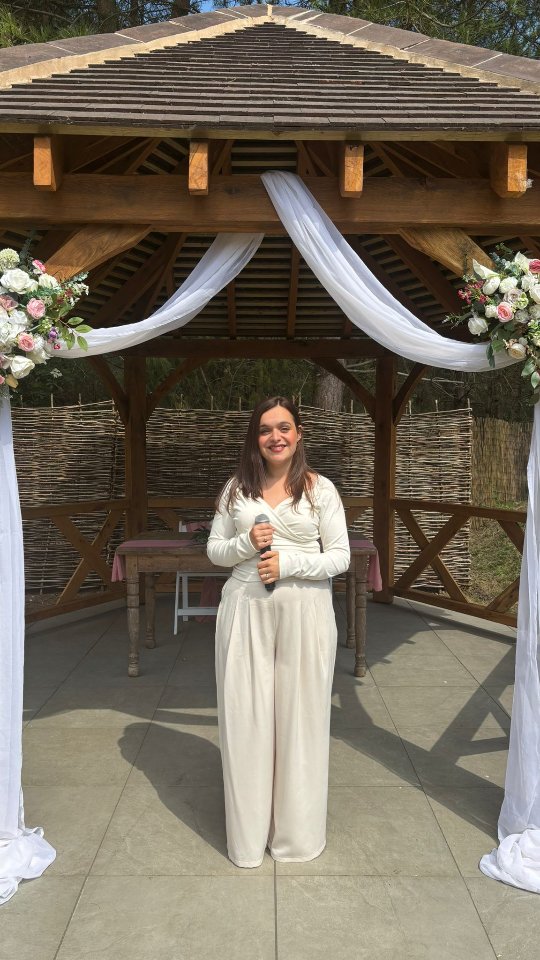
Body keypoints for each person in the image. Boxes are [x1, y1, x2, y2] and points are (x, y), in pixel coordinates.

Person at [207, 396, 350, 868]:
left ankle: (295, 838)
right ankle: (248, 840)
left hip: (306, 614)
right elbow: (214, 551)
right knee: (246, 720)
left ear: (299, 433)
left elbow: (340, 556)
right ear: (255, 438)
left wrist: (288, 563)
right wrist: (246, 542)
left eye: (284, 427)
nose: (275, 437)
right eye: (266, 429)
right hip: (245, 610)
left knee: (301, 721)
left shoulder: (320, 490)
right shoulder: (236, 489)